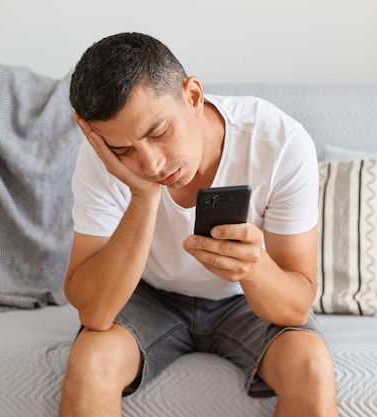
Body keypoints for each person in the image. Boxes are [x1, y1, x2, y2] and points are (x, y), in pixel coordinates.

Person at [59, 32, 339, 417]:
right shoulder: (100, 161)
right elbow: (94, 314)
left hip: (243, 303)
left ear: (193, 96)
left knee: (312, 365)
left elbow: (295, 308)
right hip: (149, 297)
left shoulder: (280, 143)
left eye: (158, 133)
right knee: (91, 361)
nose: (151, 164)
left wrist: (253, 267)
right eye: (124, 151)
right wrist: (143, 197)